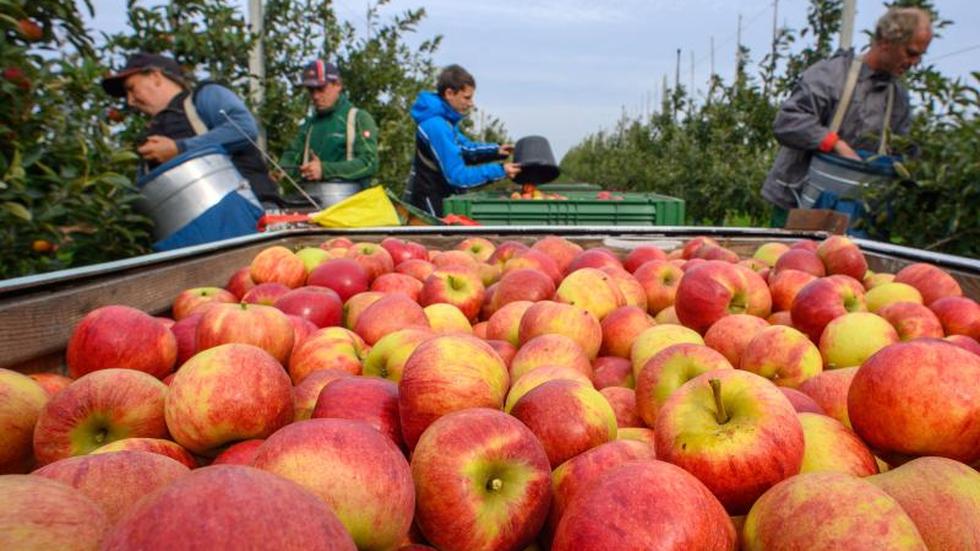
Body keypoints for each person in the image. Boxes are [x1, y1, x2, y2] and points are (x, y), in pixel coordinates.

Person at [762, 7, 932, 227]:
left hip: (855, 212)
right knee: (792, 259)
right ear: (886, 42)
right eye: (911, 52)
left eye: (920, 55)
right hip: (799, 201)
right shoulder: (831, 75)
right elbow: (788, 121)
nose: (915, 62)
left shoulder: (897, 97)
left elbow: (903, 147)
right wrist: (835, 143)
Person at [101, 52, 280, 207]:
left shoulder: (204, 97)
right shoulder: (154, 133)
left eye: (132, 89)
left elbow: (243, 129)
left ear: (156, 77)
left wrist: (180, 149)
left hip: (249, 209)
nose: (130, 101)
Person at [404, 64, 521, 216]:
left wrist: (496, 150)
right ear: (449, 93)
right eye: (467, 97)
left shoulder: (445, 122)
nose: (471, 103)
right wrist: (500, 170)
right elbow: (457, 176)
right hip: (431, 208)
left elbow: (465, 148)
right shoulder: (436, 126)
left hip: (442, 200)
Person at [278, 59, 379, 187]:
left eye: (321, 89)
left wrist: (324, 170)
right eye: (311, 90)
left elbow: (369, 162)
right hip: (312, 200)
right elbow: (291, 156)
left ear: (338, 85)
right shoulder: (309, 125)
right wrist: (278, 172)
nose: (315, 96)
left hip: (350, 201)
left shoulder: (358, 118)